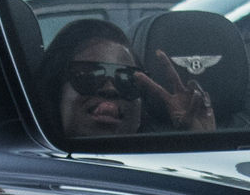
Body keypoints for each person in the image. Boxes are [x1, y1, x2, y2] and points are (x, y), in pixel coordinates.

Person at [36, 18, 216, 142]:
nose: (110, 89)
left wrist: (200, 138)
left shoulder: (159, 165)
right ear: (55, 90)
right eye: (89, 75)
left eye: (127, 80)